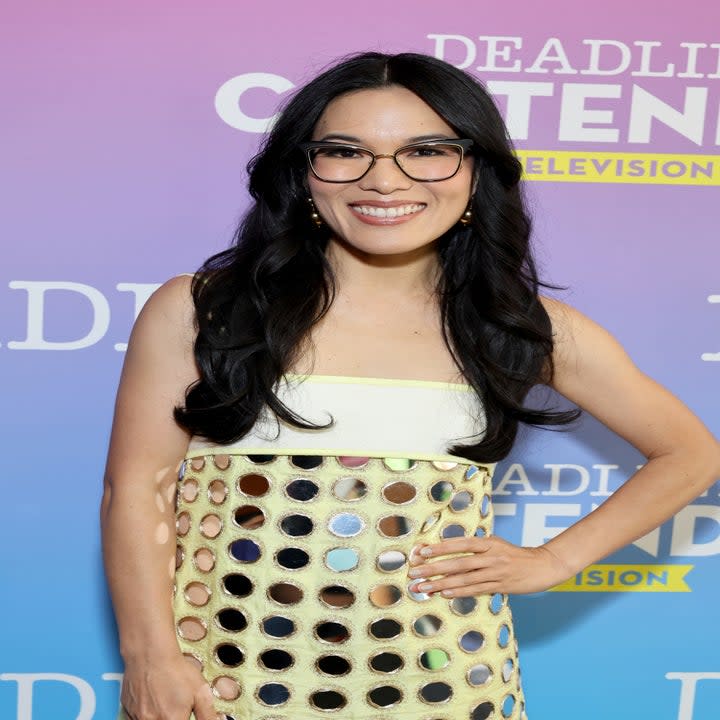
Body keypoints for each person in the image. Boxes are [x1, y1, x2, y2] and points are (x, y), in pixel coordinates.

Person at [101, 52, 720, 720]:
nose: (383, 180)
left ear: (474, 170)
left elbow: (690, 454)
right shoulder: (203, 309)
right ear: (304, 172)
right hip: (227, 675)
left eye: (427, 150)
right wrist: (150, 658)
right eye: (345, 151)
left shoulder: (515, 328)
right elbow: (137, 491)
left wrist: (554, 560)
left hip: (445, 681)